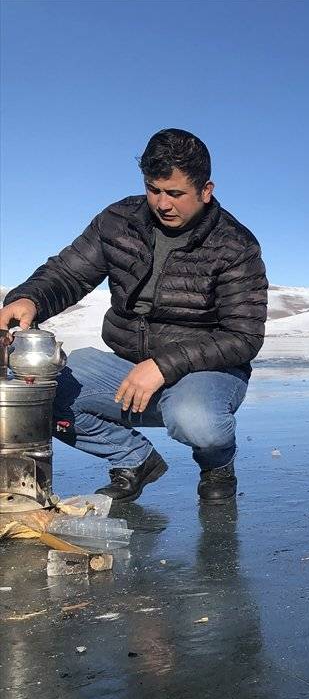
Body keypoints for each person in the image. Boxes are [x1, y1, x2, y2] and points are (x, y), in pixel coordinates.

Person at [0, 129, 267, 505]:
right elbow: (69, 273)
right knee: (40, 394)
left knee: (195, 419)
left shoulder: (235, 245)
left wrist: (163, 364)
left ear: (206, 190)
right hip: (129, 363)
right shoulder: (118, 221)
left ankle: (217, 465)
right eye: (153, 189)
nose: (162, 203)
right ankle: (134, 460)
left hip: (209, 371)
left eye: (175, 193)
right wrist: (30, 298)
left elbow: (244, 336)